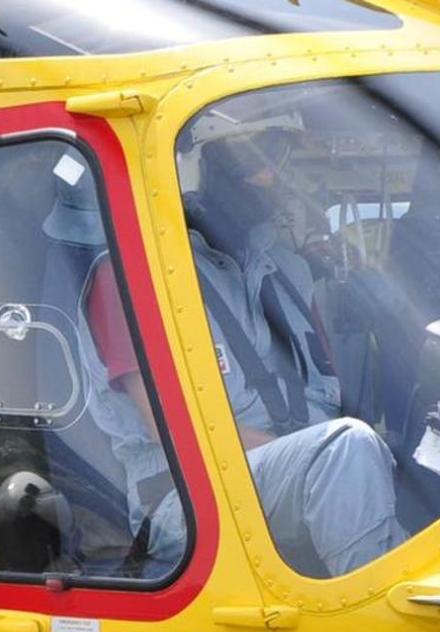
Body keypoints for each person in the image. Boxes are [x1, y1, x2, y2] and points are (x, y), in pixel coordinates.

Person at [96, 128, 405, 576]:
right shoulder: (131, 275)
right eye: (258, 159)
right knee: (347, 451)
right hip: (182, 497)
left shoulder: (289, 270)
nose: (273, 175)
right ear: (208, 163)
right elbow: (170, 426)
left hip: (296, 467)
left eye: (279, 160)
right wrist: (310, 455)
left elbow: (326, 392)